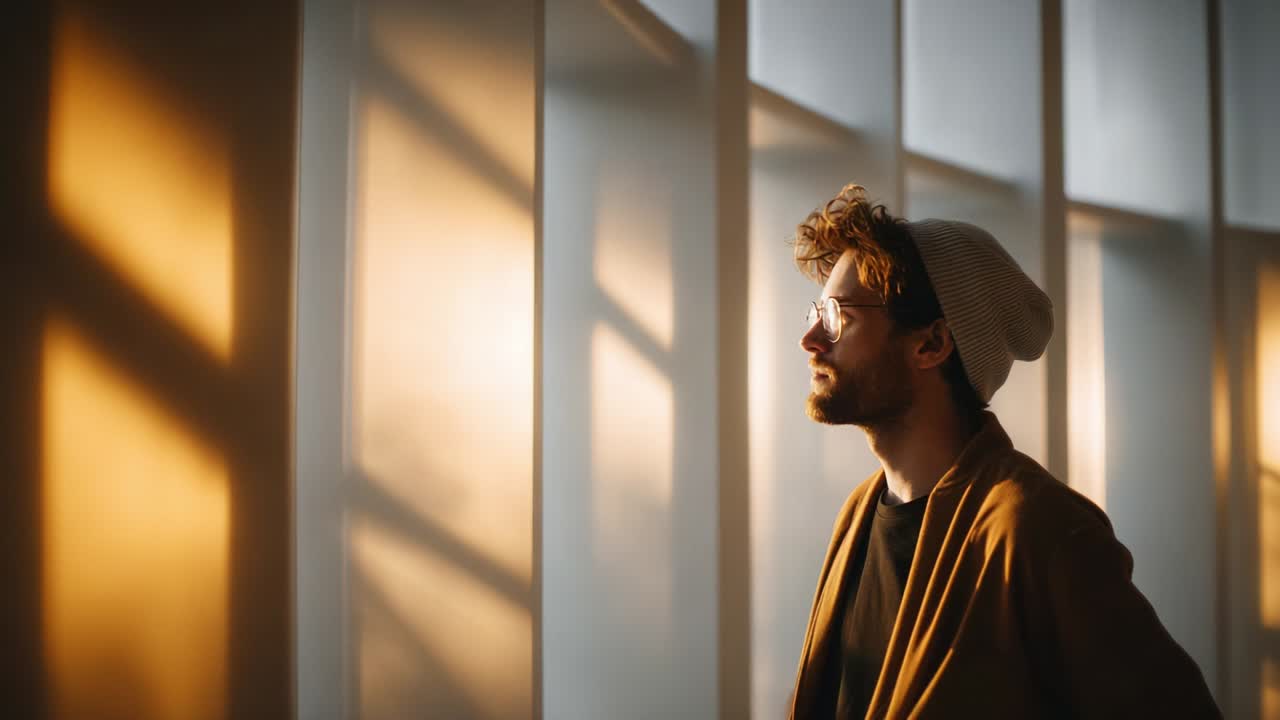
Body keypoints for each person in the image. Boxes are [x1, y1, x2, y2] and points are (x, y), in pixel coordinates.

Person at [786, 184, 1220, 718]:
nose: (811, 338)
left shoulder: (1040, 528)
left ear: (932, 344)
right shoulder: (857, 515)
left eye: (837, 315)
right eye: (816, 312)